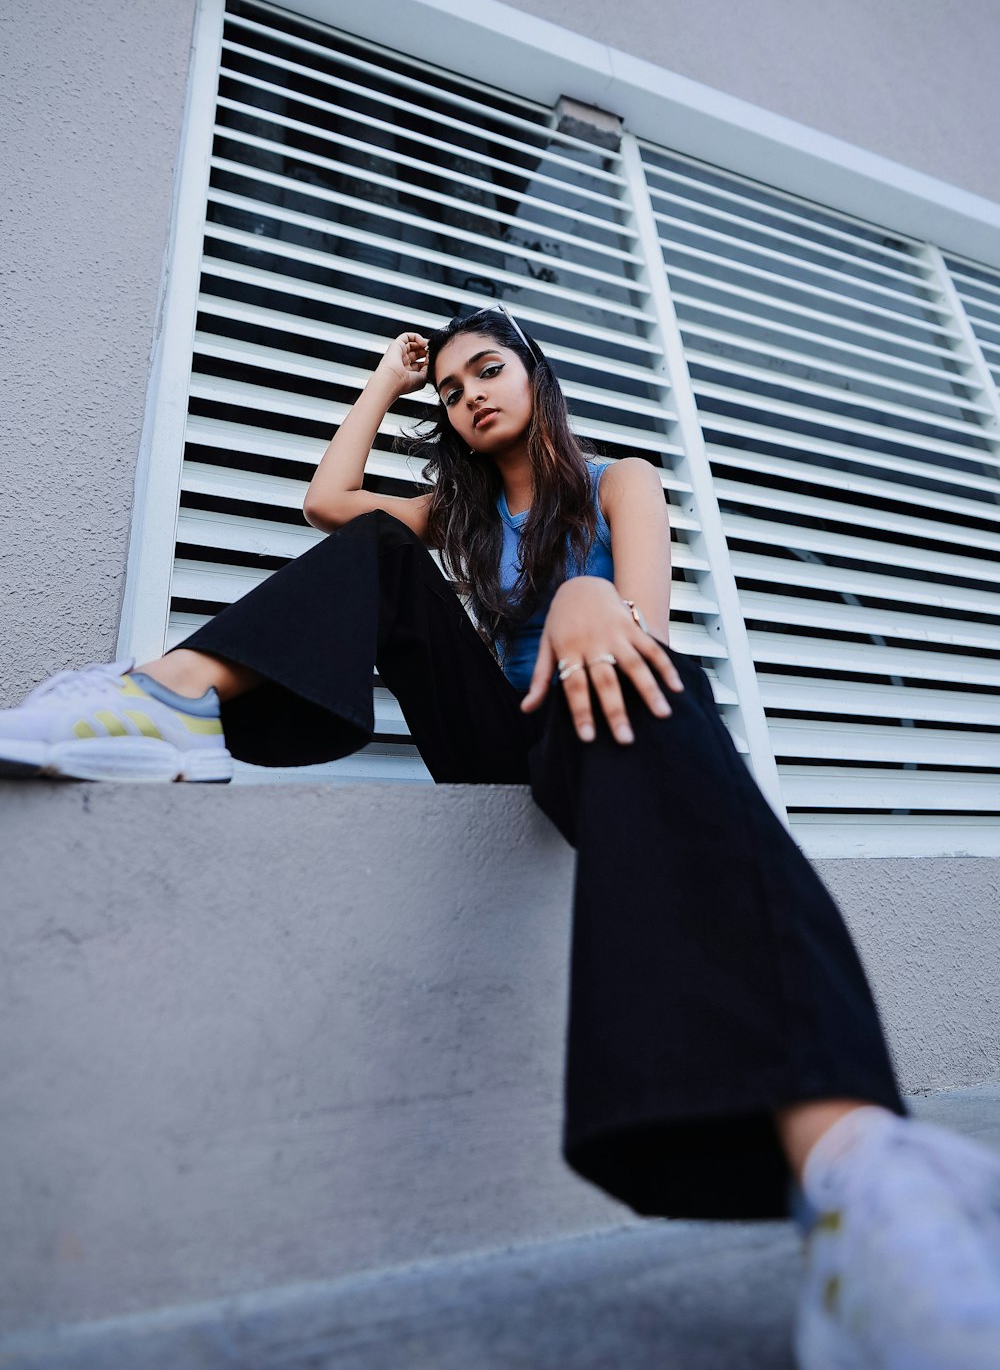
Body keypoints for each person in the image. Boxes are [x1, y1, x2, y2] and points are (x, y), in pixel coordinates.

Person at [2, 306, 999, 1368]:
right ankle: (169, 702)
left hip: (600, 715)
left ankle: (855, 1181)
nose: (470, 392)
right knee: (382, 546)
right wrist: (387, 382)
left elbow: (642, 634)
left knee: (667, 683)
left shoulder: (620, 479)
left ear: (535, 374)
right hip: (499, 735)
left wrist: (580, 592)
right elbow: (326, 503)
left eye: (489, 370)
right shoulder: (459, 511)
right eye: (452, 389)